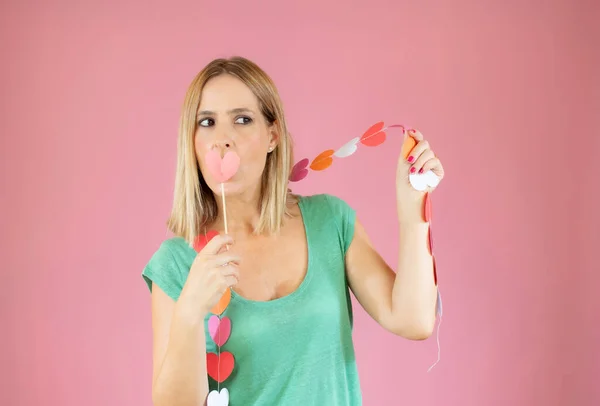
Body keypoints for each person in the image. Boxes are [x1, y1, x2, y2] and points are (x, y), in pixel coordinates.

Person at [141, 56, 445, 406]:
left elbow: (414, 319)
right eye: (206, 122)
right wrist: (190, 311)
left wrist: (412, 208)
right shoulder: (176, 264)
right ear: (191, 141)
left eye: (242, 120)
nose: (222, 139)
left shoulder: (330, 222)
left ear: (272, 136)